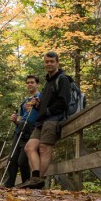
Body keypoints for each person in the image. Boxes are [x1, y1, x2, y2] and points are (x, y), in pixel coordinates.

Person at [20, 51, 71, 189]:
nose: (49, 64)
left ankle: (37, 181)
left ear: (57, 63)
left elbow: (64, 102)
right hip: (42, 121)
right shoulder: (48, 82)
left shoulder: (63, 79)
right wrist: (37, 106)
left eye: (51, 61)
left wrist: (48, 111)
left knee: (44, 148)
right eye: (47, 61)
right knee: (29, 147)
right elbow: (44, 105)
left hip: (54, 119)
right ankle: (36, 178)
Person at [2, 75, 41, 187]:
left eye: (32, 82)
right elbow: (22, 118)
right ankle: (8, 185)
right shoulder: (25, 101)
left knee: (22, 160)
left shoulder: (40, 97)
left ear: (37, 84)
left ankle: (27, 184)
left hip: (31, 131)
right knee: (12, 159)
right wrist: (15, 120)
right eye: (28, 83)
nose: (29, 84)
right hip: (19, 130)